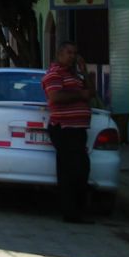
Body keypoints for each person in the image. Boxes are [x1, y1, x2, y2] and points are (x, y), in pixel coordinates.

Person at [42, 41, 96, 224]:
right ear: (59, 55)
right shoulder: (54, 74)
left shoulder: (76, 75)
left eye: (75, 53)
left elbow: (91, 93)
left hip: (78, 129)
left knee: (82, 169)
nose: (72, 56)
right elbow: (55, 97)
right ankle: (70, 213)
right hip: (64, 128)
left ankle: (77, 211)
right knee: (71, 171)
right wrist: (80, 95)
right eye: (69, 53)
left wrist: (84, 70)